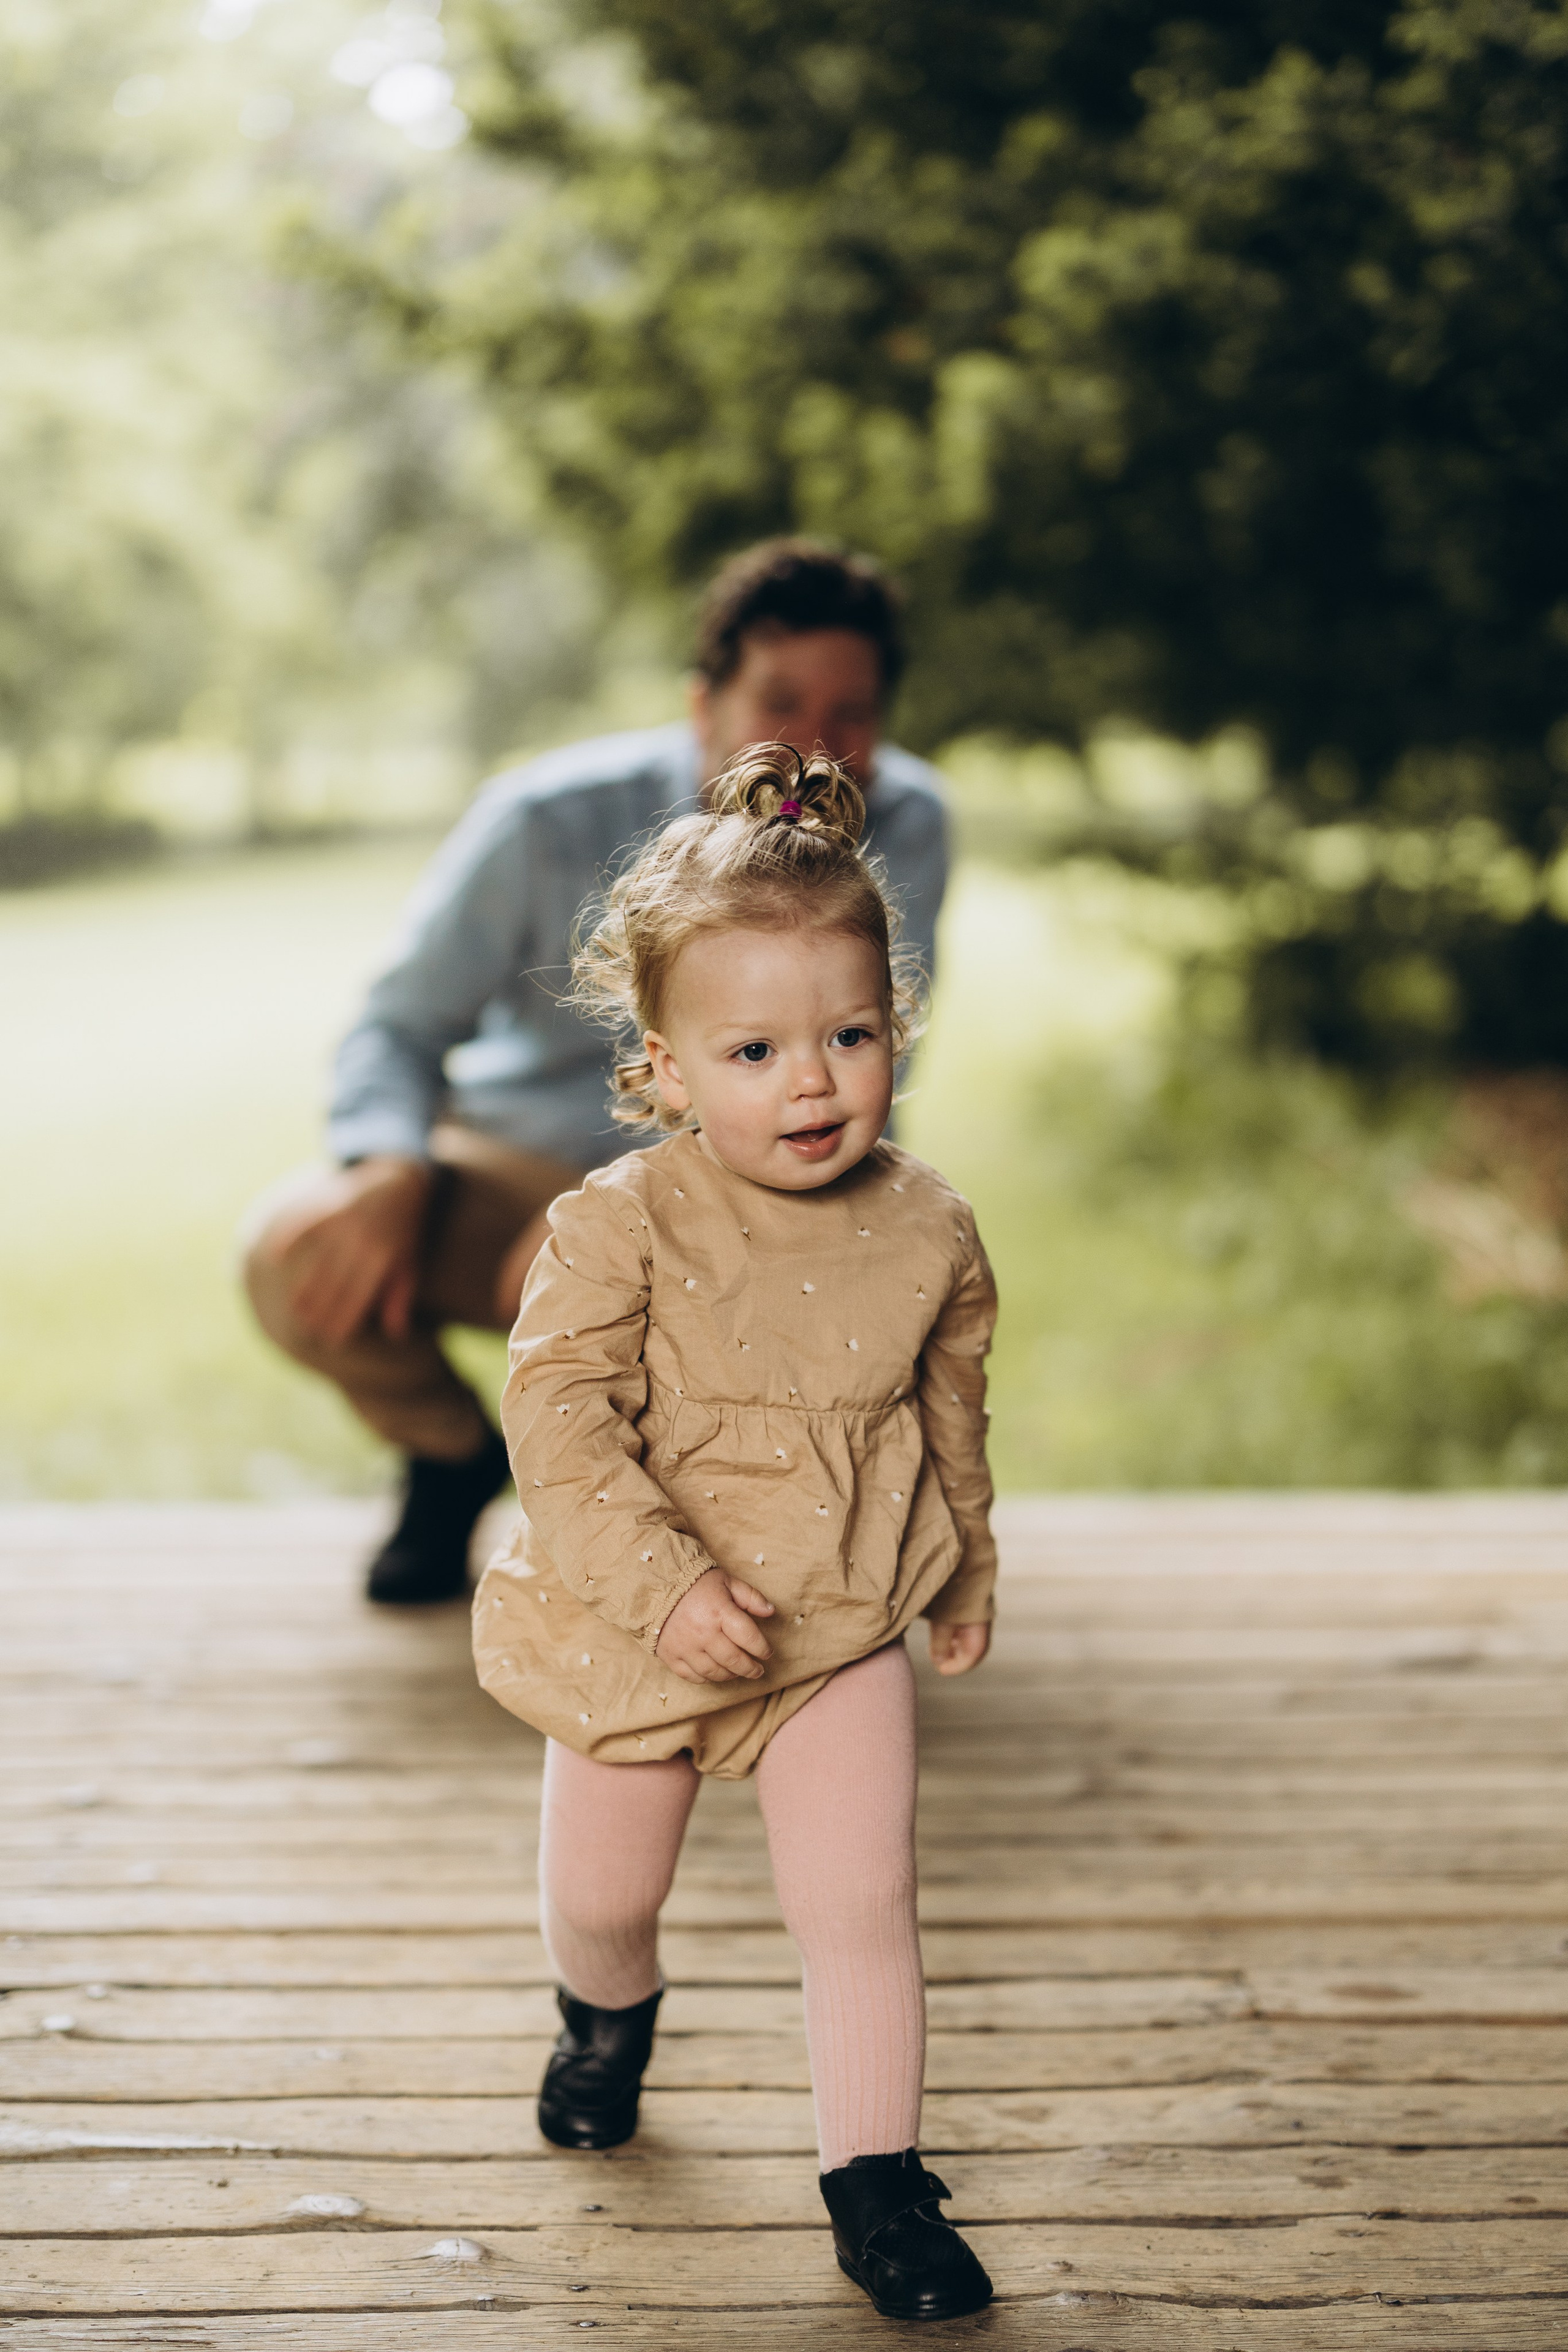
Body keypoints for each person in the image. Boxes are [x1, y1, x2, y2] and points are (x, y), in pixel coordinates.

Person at [472, 744, 997, 2322]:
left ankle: (878, 2188)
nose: (813, 1081)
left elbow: (948, 1410)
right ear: (664, 1066)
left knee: (858, 1904)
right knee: (608, 1895)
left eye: (848, 1035)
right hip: (633, 1616)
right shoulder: (614, 1226)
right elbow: (557, 1428)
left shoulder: (928, 1228)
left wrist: (964, 1557)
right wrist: (667, 1582)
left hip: (838, 1617)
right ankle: (603, 2011)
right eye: (756, 1049)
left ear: (892, 1029)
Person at [240, 541, 951, 1604]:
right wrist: (387, 1166)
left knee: (668, 1273)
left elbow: (865, 1052)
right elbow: (398, 1022)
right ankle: (451, 1456)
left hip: (753, 1171)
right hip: (509, 1159)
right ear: (703, 702)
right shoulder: (544, 819)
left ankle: (727, 1559)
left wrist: (633, 1202)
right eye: (782, 699)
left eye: (853, 712)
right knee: (295, 1252)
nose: (818, 744)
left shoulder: (906, 825)